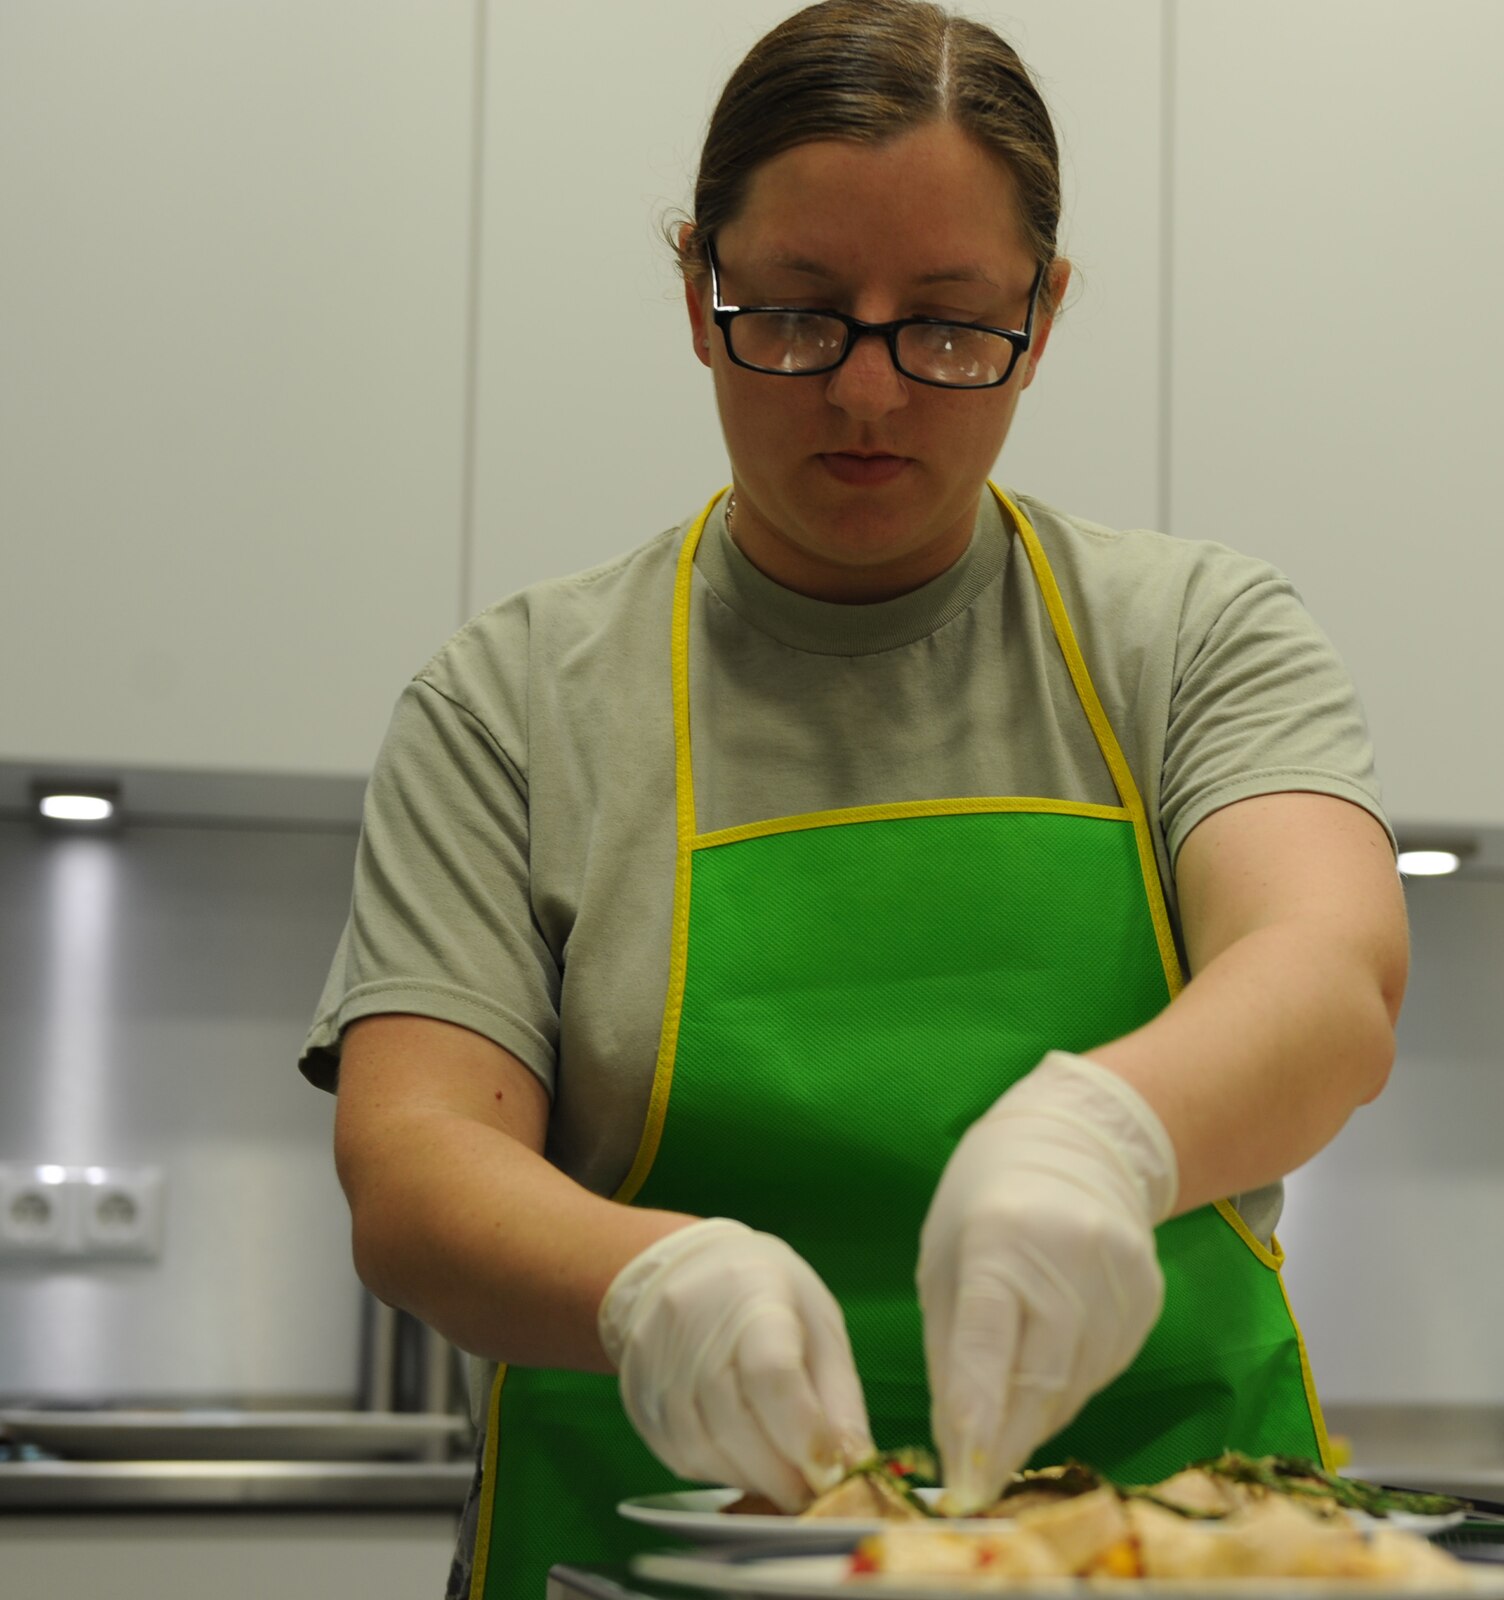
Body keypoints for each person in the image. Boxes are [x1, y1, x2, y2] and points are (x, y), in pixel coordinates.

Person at [301, 3, 1409, 1597]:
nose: (873, 393)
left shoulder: (1192, 638)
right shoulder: (515, 701)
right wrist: (650, 1283)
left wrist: (1103, 1140)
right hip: (647, 1561)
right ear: (699, 292)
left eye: (953, 325)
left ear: (1048, 309)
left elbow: (1331, 977)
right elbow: (411, 1164)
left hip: (1168, 1555)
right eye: (803, 315)